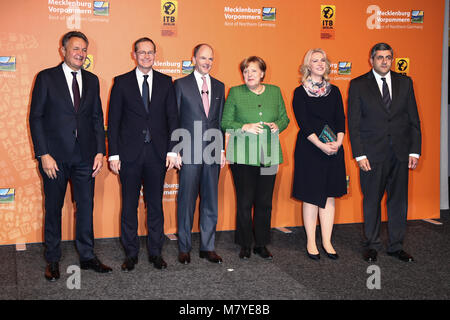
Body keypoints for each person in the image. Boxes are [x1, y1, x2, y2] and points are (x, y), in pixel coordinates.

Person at [29, 31, 112, 282]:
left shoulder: (92, 79)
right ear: (63, 50)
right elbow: (36, 118)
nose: (81, 54)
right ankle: (52, 259)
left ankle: (87, 256)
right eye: (76, 49)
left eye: (84, 49)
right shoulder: (46, 78)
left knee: (86, 207)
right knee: (53, 208)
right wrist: (43, 153)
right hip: (54, 157)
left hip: (85, 156)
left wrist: (100, 150)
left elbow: (97, 117)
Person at [107, 37, 179, 271]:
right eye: (142, 52)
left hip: (158, 155)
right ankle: (130, 253)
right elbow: (114, 121)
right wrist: (114, 155)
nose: (146, 56)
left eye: (150, 52)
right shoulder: (121, 82)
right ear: (134, 55)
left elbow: (173, 119)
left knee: (155, 206)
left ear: (155, 55)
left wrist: (172, 149)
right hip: (129, 155)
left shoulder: (167, 82)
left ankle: (156, 253)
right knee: (129, 206)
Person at [347, 43, 421, 263]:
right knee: (372, 200)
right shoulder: (358, 85)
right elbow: (354, 122)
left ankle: (396, 245)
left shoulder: (405, 82)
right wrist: (359, 155)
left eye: (388, 57)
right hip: (371, 154)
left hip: (400, 152)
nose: (384, 61)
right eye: (380, 57)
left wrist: (415, 151)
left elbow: (413, 119)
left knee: (398, 201)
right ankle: (372, 244)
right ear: (371, 60)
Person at [221, 56, 290, 260]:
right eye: (245, 71)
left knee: (264, 202)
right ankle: (245, 244)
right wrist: (244, 127)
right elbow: (225, 123)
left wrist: (278, 124)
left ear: (262, 73)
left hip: (269, 154)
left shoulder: (275, 91)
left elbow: (285, 118)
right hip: (242, 155)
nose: (248, 75)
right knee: (244, 201)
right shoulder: (235, 92)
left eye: (253, 71)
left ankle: (261, 244)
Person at [292, 48, 347, 260]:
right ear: (308, 65)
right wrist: (321, 145)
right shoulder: (299, 92)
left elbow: (341, 120)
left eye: (322, 60)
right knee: (311, 196)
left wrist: (338, 143)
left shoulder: (335, 91)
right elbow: (304, 124)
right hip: (310, 150)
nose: (320, 63)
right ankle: (311, 241)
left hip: (333, 149)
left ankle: (327, 240)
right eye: (315, 60)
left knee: (329, 195)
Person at [173, 44, 226, 265]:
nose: (207, 62)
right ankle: (184, 247)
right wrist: (175, 150)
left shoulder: (220, 86)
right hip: (188, 151)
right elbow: (174, 118)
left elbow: (220, 120)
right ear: (193, 58)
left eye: (210, 59)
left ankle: (207, 247)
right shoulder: (180, 85)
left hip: (213, 151)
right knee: (186, 202)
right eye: (203, 58)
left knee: (210, 201)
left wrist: (222, 149)